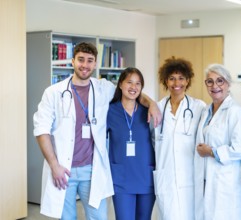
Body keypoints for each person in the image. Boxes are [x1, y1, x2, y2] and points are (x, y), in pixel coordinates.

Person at [33, 42, 161, 219]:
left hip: (92, 170)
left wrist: (152, 103)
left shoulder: (103, 88)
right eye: (81, 60)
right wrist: (54, 165)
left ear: (95, 64)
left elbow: (131, 91)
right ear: (72, 61)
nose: (85, 65)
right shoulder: (53, 92)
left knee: (98, 217)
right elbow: (41, 130)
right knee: (67, 217)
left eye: (90, 61)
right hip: (63, 170)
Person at [152, 57, 206, 220]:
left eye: (181, 78)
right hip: (166, 176)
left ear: (188, 80)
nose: (177, 83)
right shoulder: (158, 108)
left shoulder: (199, 107)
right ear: (165, 81)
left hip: (190, 175)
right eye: (172, 78)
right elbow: (153, 140)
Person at [194, 64, 241, 220]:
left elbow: (240, 149)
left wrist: (211, 151)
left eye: (220, 81)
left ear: (228, 84)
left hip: (226, 181)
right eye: (209, 82)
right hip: (208, 178)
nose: (215, 86)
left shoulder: (234, 111)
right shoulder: (206, 111)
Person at [106, 67, 155, 220]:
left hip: (146, 176)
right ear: (120, 84)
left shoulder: (149, 111)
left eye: (138, 84)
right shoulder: (109, 111)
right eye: (129, 82)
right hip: (121, 178)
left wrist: (152, 103)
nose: (133, 87)